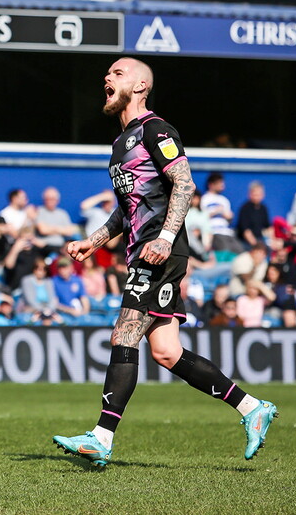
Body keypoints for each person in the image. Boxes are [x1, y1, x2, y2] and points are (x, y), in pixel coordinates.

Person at [52, 57, 277, 468]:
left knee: (124, 334)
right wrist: (92, 240)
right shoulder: (121, 144)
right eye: (107, 72)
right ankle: (251, 408)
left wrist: (166, 237)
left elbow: (185, 182)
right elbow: (127, 210)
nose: (107, 77)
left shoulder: (156, 129)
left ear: (140, 86)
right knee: (167, 351)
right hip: (146, 249)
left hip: (160, 251)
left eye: (117, 73)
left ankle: (101, 438)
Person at [236, 181, 270, 249]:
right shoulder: (245, 208)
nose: (257, 197)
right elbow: (246, 232)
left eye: (259, 194)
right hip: (245, 243)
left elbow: (268, 227)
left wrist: (271, 241)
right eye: (255, 194)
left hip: (260, 240)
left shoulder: (263, 208)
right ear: (250, 194)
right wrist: (256, 246)